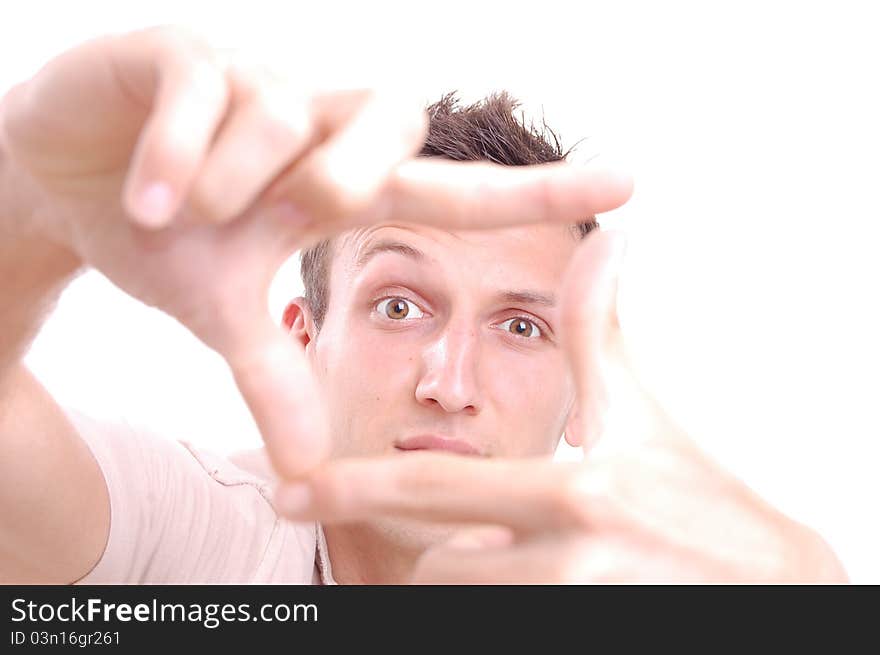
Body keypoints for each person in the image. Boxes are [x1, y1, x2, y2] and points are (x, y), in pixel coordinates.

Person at [0, 26, 846, 584]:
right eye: (400, 307)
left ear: (591, 389)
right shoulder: (204, 541)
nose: (450, 381)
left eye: (522, 325)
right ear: (303, 342)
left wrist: (811, 589)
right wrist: (25, 204)